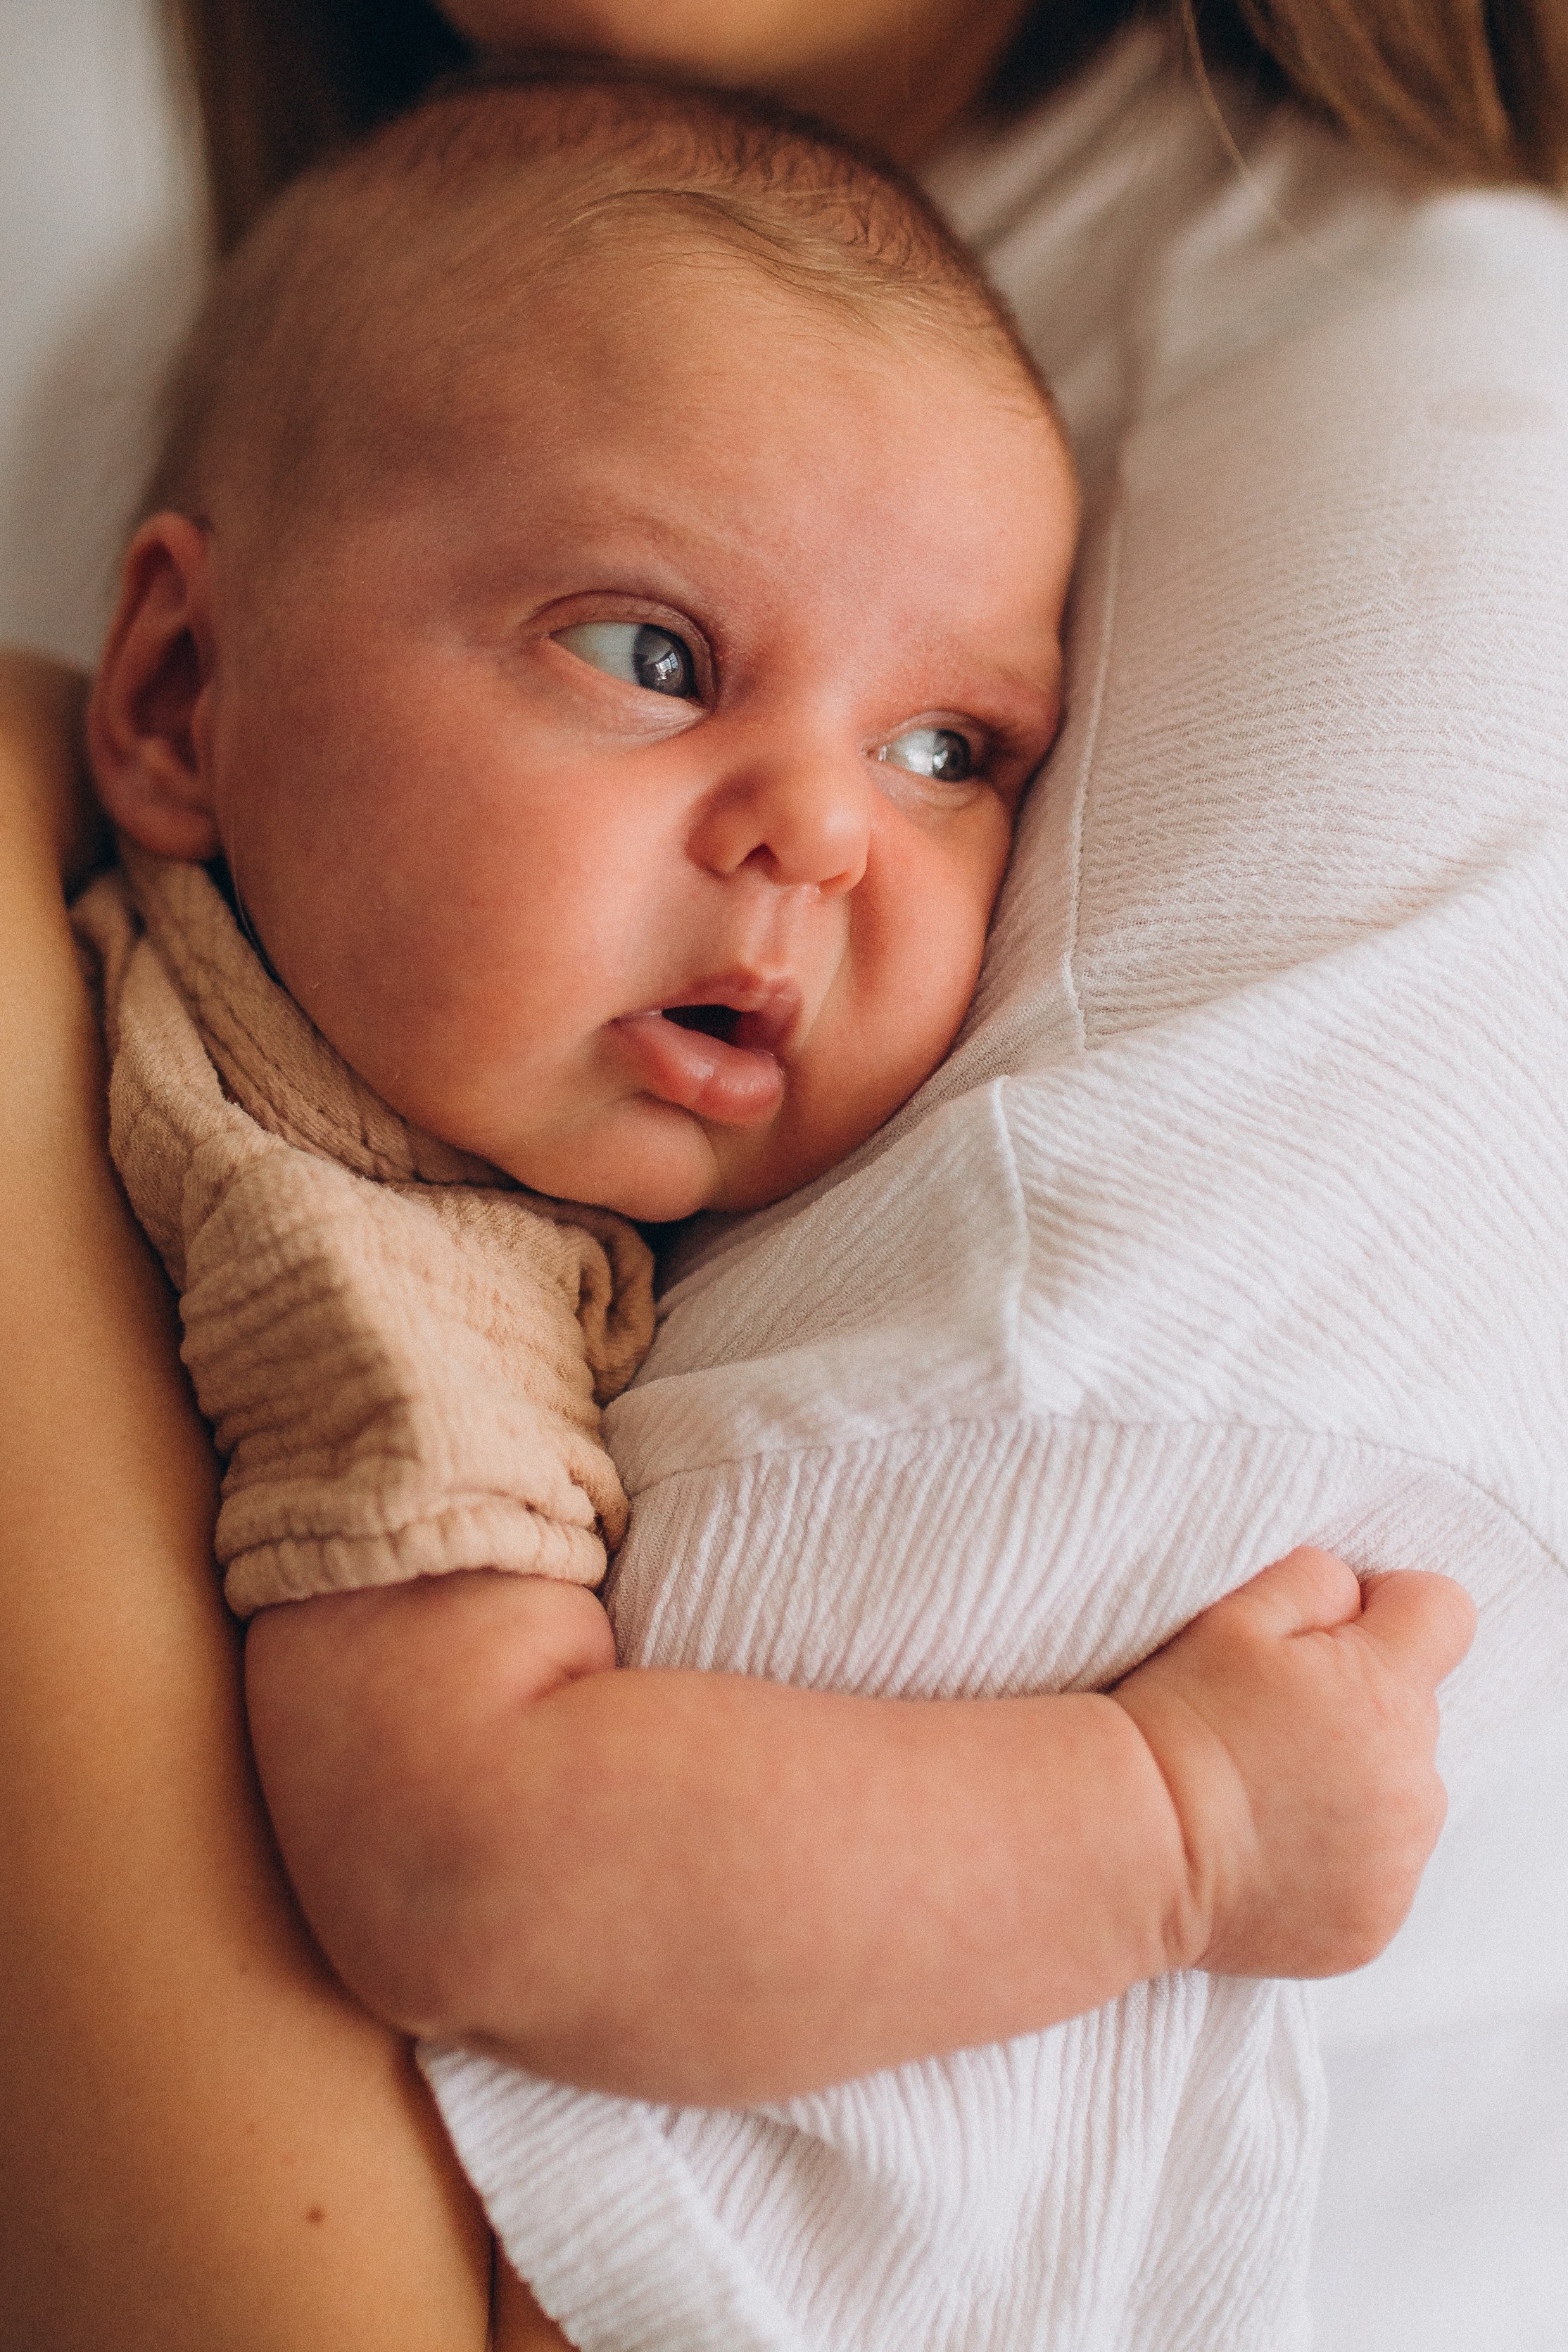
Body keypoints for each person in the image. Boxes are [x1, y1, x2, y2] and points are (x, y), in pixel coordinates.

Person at [1, 4, 1564, 2349]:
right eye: (650, 653)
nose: (822, 835)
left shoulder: (1415, 440)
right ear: (174, 699)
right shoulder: (373, 1257)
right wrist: (1170, 1828)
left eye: (950, 747)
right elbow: (481, 1862)